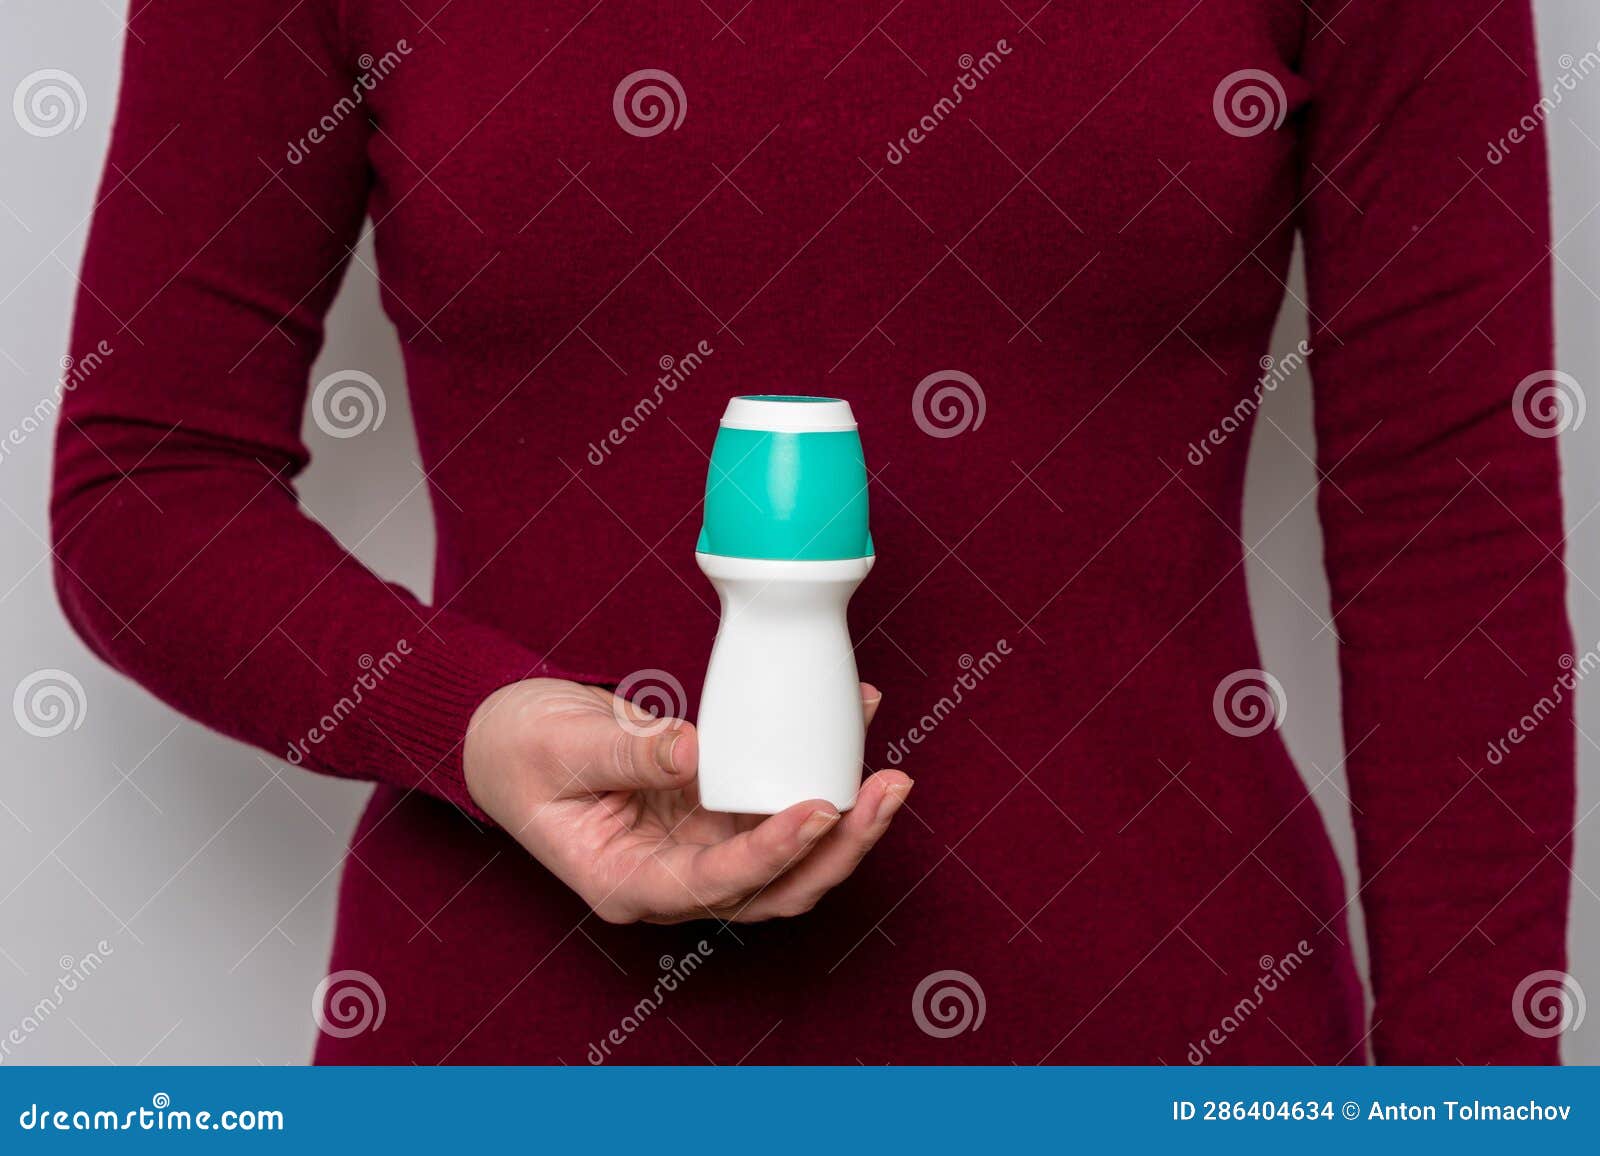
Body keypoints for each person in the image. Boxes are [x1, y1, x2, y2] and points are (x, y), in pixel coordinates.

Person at [53, 0, 1574, 1063]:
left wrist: (1475, 1107)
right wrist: (476, 726)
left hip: (1167, 1039)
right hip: (507, 1054)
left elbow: (1452, 533)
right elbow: (150, 481)